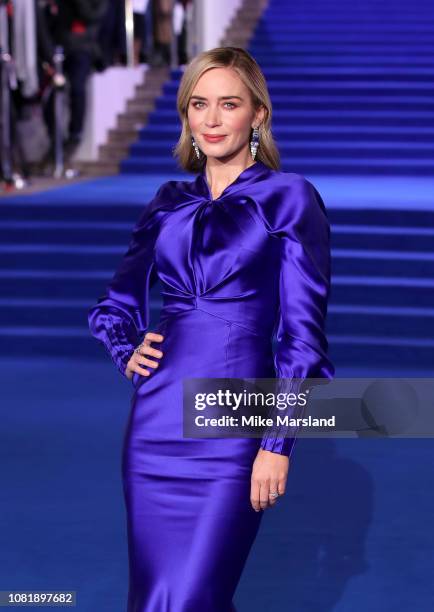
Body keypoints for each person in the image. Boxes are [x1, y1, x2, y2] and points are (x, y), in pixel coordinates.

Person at [88, 46, 334, 611]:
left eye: (229, 104)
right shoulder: (168, 201)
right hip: (155, 428)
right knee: (154, 598)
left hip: (232, 428)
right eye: (199, 104)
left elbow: (303, 337)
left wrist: (277, 443)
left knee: (194, 595)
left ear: (258, 115)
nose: (213, 119)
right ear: (186, 114)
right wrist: (127, 348)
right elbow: (115, 302)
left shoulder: (290, 197)